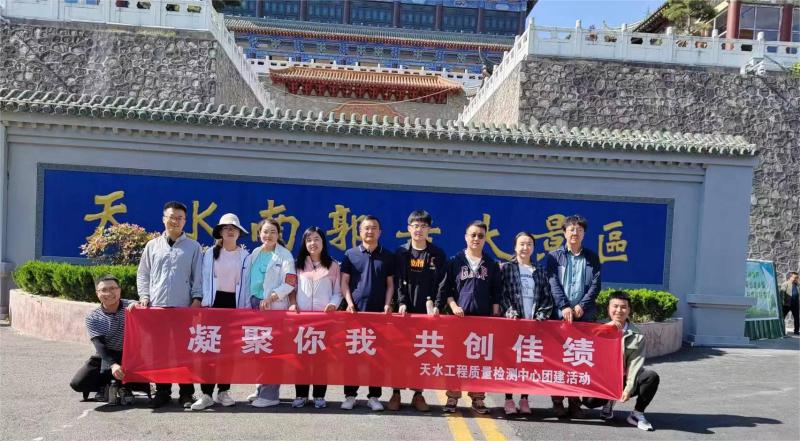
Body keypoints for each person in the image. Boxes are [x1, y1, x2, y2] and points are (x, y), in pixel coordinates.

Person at [136, 201, 203, 408]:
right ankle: (162, 391)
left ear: (185, 221)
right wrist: (144, 296)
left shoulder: (193, 247)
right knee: (160, 352)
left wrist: (197, 299)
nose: (176, 221)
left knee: (184, 352)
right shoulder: (152, 246)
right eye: (172, 217)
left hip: (183, 308)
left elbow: (198, 276)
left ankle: (186, 393)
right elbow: (143, 273)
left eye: (180, 218)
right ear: (164, 219)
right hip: (157, 307)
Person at [439, 220, 502, 415]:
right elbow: (446, 288)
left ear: (485, 239)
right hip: (459, 320)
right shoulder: (454, 261)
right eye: (473, 235)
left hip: (482, 320)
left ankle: (478, 398)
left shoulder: (491, 264)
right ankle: (452, 396)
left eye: (480, 236)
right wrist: (453, 306)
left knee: (479, 360)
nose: (476, 239)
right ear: (466, 237)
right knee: (455, 359)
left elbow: (496, 291)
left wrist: (495, 313)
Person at [190, 213, 250, 411]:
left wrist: (246, 309)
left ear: (239, 233)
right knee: (208, 348)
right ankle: (206, 394)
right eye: (226, 228)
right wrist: (200, 301)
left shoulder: (246, 256)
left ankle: (223, 391)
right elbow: (200, 279)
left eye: (233, 228)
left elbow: (247, 284)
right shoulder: (209, 254)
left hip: (234, 305)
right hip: (212, 305)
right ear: (220, 232)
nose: (230, 231)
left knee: (228, 352)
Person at [389, 210, 447, 412]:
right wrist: (401, 302)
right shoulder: (401, 253)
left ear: (429, 229)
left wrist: (437, 305)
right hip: (405, 311)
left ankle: (418, 394)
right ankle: (396, 393)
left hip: (427, 312)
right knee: (399, 353)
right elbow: (397, 281)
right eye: (415, 226)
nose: (419, 230)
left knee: (422, 354)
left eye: (423, 226)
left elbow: (442, 283)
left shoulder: (437, 254)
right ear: (409, 228)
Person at [545, 214, 601, 418]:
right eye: (571, 229)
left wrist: (582, 306)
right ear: (564, 232)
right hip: (560, 315)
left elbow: (596, 284)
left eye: (579, 230)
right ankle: (557, 401)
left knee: (578, 361)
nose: (575, 233)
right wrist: (564, 306)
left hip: (583, 317)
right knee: (558, 360)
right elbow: (552, 282)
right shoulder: (554, 257)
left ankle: (575, 403)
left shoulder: (592, 257)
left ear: (584, 234)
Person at [581, 290, 660, 431]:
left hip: (623, 379)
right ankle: (609, 400)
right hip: (603, 380)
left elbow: (635, 365)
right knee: (589, 402)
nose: (619, 310)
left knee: (651, 377)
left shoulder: (637, 335)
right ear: (608, 308)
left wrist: (628, 388)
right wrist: (605, 329)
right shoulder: (597, 328)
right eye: (615, 306)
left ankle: (637, 414)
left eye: (623, 307)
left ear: (629, 310)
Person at [340, 215, 395, 411]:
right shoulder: (350, 254)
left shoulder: (387, 256)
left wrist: (388, 304)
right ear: (359, 232)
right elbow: (344, 282)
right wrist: (349, 303)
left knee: (376, 357)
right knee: (353, 356)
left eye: (374, 228)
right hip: (355, 313)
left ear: (380, 232)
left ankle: (374, 396)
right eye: (366, 228)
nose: (370, 231)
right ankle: (350, 395)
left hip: (378, 314)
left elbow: (390, 284)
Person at [242, 218, 298, 408]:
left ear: (279, 234)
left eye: (273, 232)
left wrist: (271, 298)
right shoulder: (255, 253)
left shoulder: (284, 255)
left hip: (273, 308)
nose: (268, 235)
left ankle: (270, 395)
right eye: (265, 231)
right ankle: (261, 388)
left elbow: (290, 282)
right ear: (259, 233)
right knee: (259, 348)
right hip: (255, 306)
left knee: (272, 350)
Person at [500, 232, 554, 415]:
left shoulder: (540, 270)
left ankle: (524, 398)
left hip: (533, 324)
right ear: (515, 247)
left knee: (528, 362)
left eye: (529, 244)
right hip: (513, 323)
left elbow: (547, 296)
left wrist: (541, 315)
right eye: (522, 244)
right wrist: (510, 313)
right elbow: (502, 294)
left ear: (533, 248)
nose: (525, 248)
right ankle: (508, 399)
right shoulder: (506, 268)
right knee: (510, 361)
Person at [70, 275, 147, 404]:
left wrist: (139, 305)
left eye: (113, 288)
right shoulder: (93, 317)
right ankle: (106, 385)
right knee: (78, 383)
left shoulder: (131, 306)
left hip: (131, 355)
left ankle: (124, 386)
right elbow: (99, 344)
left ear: (119, 290)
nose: (109, 293)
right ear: (97, 293)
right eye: (104, 290)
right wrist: (113, 364)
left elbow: (143, 307)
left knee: (137, 377)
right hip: (106, 353)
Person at [290, 226, 342, 409]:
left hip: (324, 320)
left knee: (322, 359)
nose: (313, 243)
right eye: (309, 240)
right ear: (304, 243)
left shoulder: (333, 265)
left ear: (323, 242)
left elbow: (338, 292)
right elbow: (292, 289)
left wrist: (333, 304)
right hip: (301, 319)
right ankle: (301, 395)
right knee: (301, 359)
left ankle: (319, 395)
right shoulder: (297, 264)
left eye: (316, 239)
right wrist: (293, 303)